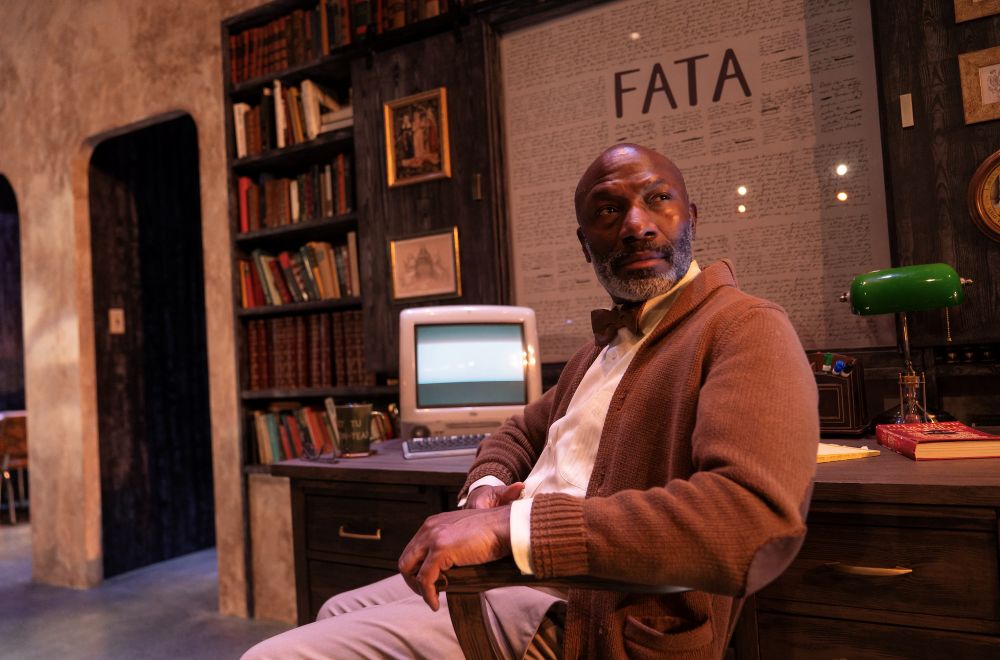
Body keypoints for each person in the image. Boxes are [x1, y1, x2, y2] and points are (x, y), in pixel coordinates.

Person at [243, 144, 818, 660]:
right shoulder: (603, 351)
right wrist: (486, 489)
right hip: (521, 574)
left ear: (691, 217)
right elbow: (517, 433)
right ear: (585, 243)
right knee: (334, 609)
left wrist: (508, 528)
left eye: (657, 199)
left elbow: (752, 519)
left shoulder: (744, 326)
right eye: (608, 210)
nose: (636, 225)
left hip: (589, 610)